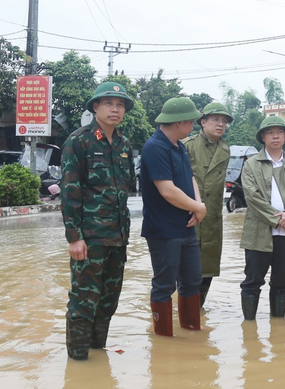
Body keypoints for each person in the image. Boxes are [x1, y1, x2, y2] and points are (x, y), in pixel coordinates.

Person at [61, 81, 135, 360]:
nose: (115, 109)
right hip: (90, 237)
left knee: (108, 301)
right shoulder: (79, 141)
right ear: (96, 107)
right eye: (108, 103)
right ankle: (78, 362)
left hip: (117, 237)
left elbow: (127, 189)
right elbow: (69, 192)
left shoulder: (124, 144)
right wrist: (75, 237)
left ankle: (97, 355)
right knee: (83, 300)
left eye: (120, 105)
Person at [141, 97, 207, 337]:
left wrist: (198, 205)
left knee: (192, 280)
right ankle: (163, 339)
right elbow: (167, 190)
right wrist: (199, 209)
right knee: (164, 285)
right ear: (179, 123)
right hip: (163, 230)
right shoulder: (155, 147)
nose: (194, 127)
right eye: (191, 122)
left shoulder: (179, 146)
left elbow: (190, 179)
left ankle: (191, 331)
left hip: (185, 227)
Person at [239, 116, 285, 320]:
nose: (275, 136)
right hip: (258, 233)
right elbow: (252, 196)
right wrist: (277, 218)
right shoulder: (251, 164)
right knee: (252, 281)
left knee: (282, 283)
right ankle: (250, 329)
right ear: (263, 137)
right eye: (270, 132)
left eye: (279, 132)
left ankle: (278, 328)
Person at [181, 102, 233, 308]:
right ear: (203, 122)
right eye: (215, 120)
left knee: (208, 268)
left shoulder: (225, 149)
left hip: (212, 218)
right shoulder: (187, 146)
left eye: (224, 121)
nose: (220, 124)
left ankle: (198, 311)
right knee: (184, 270)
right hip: (188, 216)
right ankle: (183, 313)